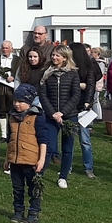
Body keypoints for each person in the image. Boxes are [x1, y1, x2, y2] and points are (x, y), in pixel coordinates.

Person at [4, 84, 47, 223]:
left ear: (29, 102)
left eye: (20, 101)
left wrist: (41, 159)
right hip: (15, 160)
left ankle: (33, 213)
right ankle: (18, 212)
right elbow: (10, 139)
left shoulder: (37, 116)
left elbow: (43, 140)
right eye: (15, 101)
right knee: (17, 188)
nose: (16, 104)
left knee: (34, 189)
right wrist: (7, 158)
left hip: (31, 161)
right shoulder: (12, 117)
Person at [39, 45, 81, 189]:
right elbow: (43, 95)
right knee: (49, 147)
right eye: (53, 55)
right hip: (51, 116)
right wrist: (52, 113)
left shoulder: (73, 74)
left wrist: (62, 112)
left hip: (69, 116)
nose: (54, 57)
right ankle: (39, 174)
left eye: (57, 55)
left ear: (65, 58)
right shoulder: (46, 73)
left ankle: (63, 176)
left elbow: (75, 95)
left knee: (67, 148)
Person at [68, 43, 97, 179]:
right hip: (69, 107)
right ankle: (67, 166)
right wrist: (78, 85)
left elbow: (90, 85)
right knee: (69, 139)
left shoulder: (88, 67)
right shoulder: (68, 67)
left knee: (85, 140)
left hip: (82, 107)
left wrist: (87, 101)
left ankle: (88, 168)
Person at [0, 40, 21, 140]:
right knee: (1, 110)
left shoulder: (17, 60)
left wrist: (13, 77)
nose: (5, 50)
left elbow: (21, 71)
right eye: (3, 48)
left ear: (11, 49)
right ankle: (3, 135)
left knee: (12, 110)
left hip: (13, 88)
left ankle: (12, 133)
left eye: (7, 48)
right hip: (0, 88)